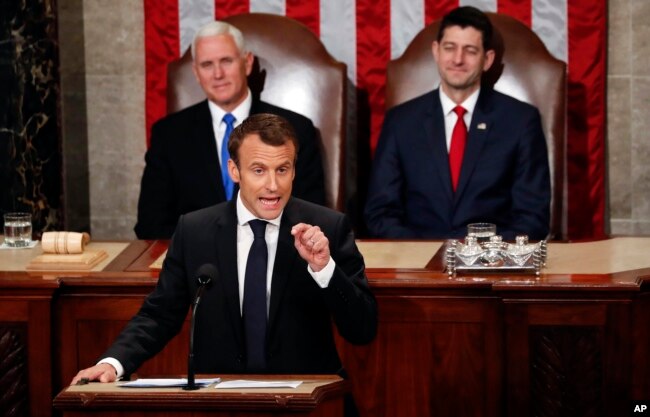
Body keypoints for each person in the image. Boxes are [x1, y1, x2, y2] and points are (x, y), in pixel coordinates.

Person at [72, 113, 377, 385]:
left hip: (309, 401)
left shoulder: (328, 229)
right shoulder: (195, 231)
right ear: (234, 171)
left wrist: (325, 269)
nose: (273, 185)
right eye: (258, 170)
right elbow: (160, 314)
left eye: (282, 169)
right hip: (221, 400)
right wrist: (113, 363)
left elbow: (362, 329)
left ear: (294, 170)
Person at [364, 6, 551, 241]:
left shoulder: (521, 121)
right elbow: (380, 213)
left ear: (487, 59)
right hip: (417, 266)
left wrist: (481, 256)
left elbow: (532, 218)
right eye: (450, 48)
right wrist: (423, 255)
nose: (458, 59)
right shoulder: (401, 122)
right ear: (436, 51)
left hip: (491, 266)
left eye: (470, 51)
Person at [135, 21, 326, 240]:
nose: (218, 74)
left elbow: (310, 216)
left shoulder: (296, 128)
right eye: (207, 65)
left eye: (226, 61)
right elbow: (150, 224)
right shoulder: (168, 134)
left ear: (247, 63)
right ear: (196, 73)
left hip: (271, 258)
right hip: (197, 261)